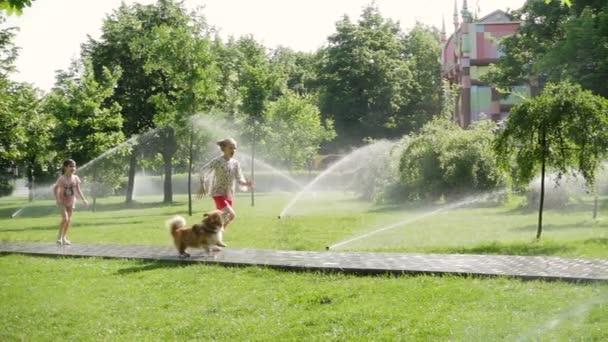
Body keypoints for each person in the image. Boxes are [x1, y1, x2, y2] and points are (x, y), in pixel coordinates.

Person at [197, 138, 253, 247]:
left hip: (229, 194)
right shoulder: (217, 161)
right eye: (231, 148)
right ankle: (215, 236)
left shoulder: (236, 163)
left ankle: (210, 234)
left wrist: (245, 183)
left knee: (225, 218)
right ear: (223, 148)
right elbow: (203, 170)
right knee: (231, 214)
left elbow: (239, 178)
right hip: (218, 193)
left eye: (235, 148)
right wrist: (203, 185)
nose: (233, 150)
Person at [53, 159, 88, 245]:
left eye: (74, 166)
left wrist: (84, 199)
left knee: (68, 221)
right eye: (71, 166)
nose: (73, 168)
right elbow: (55, 188)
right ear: (65, 167)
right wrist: (57, 198)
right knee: (65, 218)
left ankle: (64, 238)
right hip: (62, 202)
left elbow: (79, 190)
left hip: (71, 201)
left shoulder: (75, 178)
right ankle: (59, 237)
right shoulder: (62, 178)